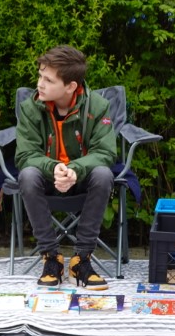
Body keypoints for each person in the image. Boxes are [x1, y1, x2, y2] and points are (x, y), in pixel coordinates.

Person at [14, 46, 116, 290]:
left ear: (71, 86)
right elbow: (25, 155)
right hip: (48, 177)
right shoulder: (30, 108)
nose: (40, 84)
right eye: (40, 76)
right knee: (27, 175)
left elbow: (106, 153)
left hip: (81, 178)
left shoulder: (97, 106)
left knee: (103, 174)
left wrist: (75, 170)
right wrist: (55, 168)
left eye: (48, 80)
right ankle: (51, 257)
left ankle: (82, 259)